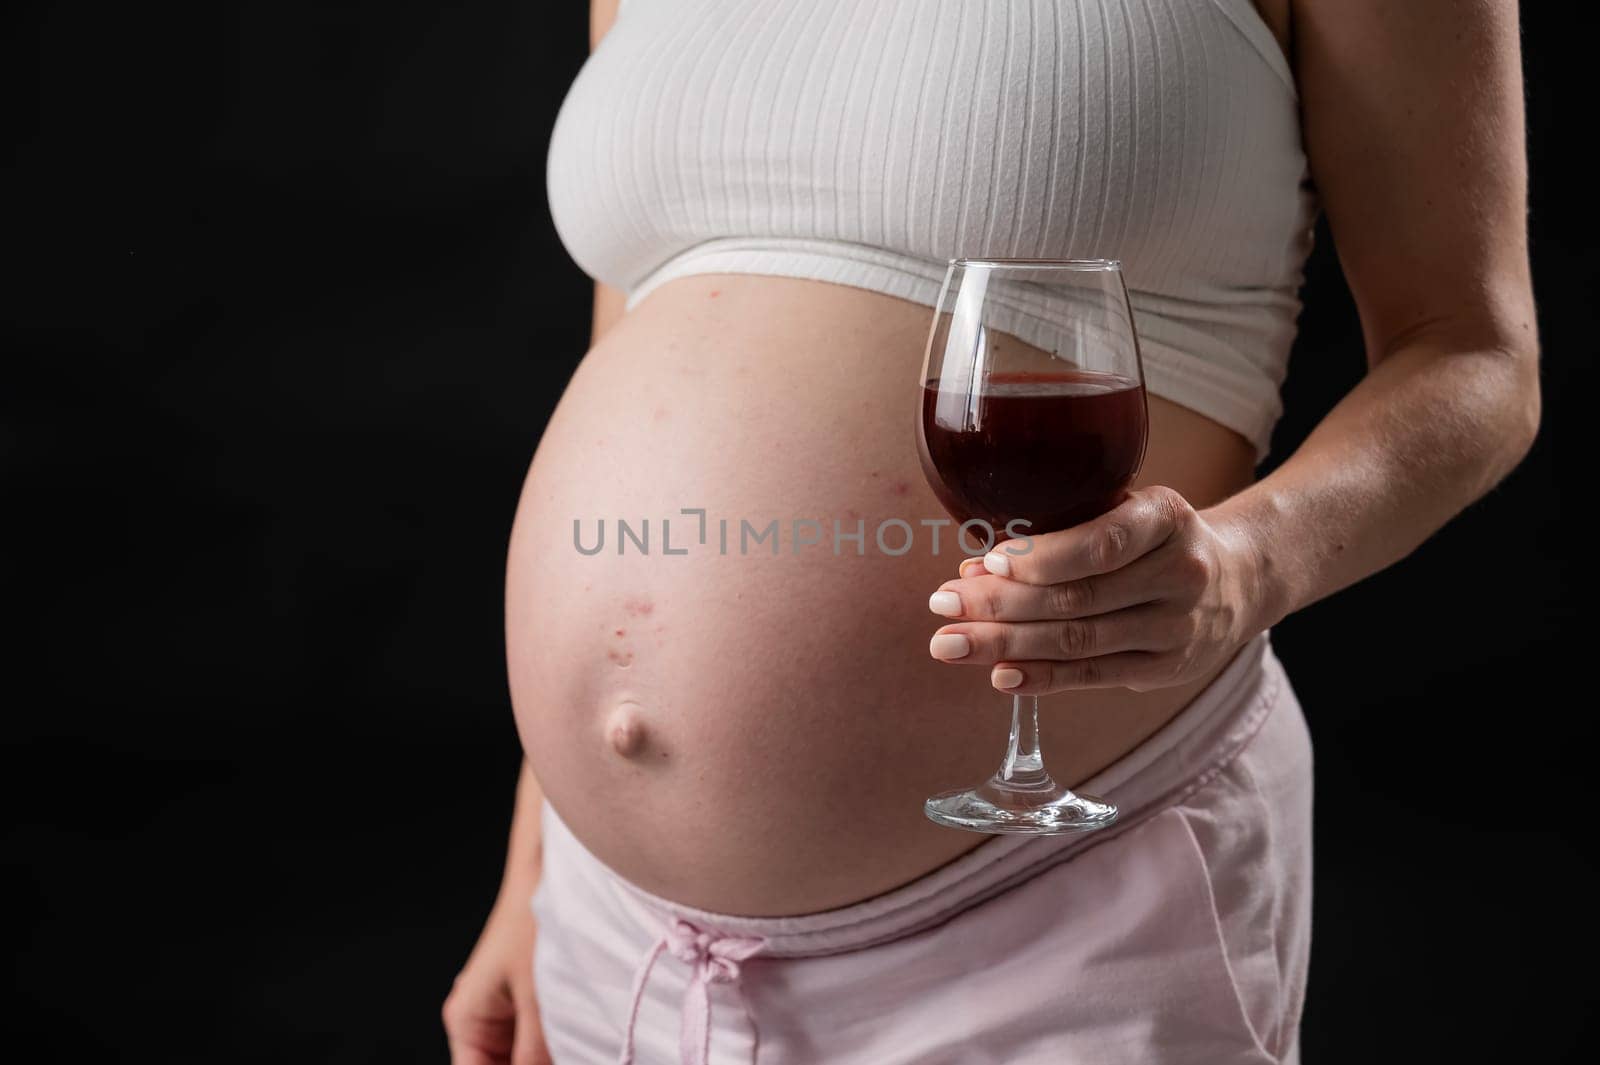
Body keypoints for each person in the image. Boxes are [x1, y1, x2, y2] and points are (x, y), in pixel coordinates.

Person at [444, 1, 1540, 1062]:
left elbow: (1472, 355)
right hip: (613, 934)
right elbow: (630, 333)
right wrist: (531, 864)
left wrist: (1252, 563)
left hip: (1063, 908)